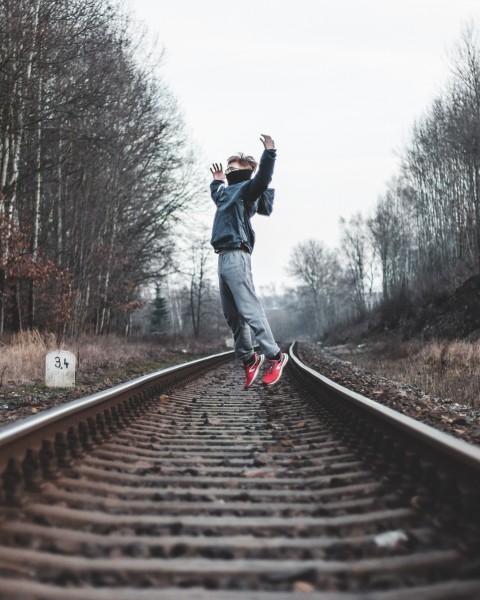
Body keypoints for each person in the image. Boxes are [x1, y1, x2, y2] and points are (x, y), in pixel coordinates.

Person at [210, 133, 288, 389]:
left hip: (237, 254)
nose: (229, 169)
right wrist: (217, 182)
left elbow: (263, 179)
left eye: (234, 167)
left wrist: (270, 153)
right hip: (222, 257)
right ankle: (249, 359)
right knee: (232, 315)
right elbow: (217, 196)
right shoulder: (227, 194)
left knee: (249, 309)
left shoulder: (246, 191)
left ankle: (275, 357)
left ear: (245, 173)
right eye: (229, 166)